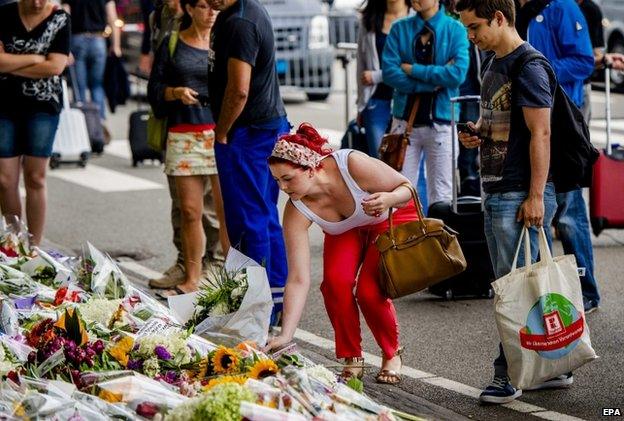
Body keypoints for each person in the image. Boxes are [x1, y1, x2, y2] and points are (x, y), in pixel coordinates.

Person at [457, 0, 559, 404]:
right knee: (524, 289)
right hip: (500, 189)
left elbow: (541, 134)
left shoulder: (528, 66)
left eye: (475, 26)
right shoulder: (493, 61)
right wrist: (479, 132)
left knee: (511, 291)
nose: (471, 36)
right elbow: (501, 120)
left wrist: (536, 196)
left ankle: (508, 375)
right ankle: (551, 368)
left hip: (518, 193)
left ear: (500, 18)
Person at [266, 123, 417, 385]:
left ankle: (392, 353)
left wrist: (389, 200)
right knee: (335, 283)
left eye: (287, 178)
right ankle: (351, 357)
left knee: (369, 291)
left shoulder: (352, 164)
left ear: (312, 168)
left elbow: (407, 188)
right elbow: (298, 279)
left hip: (388, 217)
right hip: (347, 228)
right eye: (277, 180)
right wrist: (285, 334)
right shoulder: (295, 210)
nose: (282, 188)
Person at [207, 0, 290, 325]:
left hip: (248, 132)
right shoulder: (240, 12)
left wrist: (223, 131)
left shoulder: (241, 21)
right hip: (260, 128)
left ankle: (259, 307)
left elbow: (239, 90)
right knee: (263, 216)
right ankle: (272, 298)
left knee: (250, 220)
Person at [516, 0, 601, 314]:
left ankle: (586, 289)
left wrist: (538, 68)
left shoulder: (562, 7)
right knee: (542, 213)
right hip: (528, 120)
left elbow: (583, 61)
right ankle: (551, 291)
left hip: (563, 119)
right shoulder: (513, 11)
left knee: (568, 211)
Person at [148, 0, 229, 294]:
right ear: (190, 9)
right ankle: (192, 279)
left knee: (225, 212)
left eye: (215, 8)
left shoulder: (226, 40)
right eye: (204, 6)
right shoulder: (172, 43)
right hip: (183, 135)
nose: (210, 13)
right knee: (190, 212)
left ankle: (225, 274)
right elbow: (154, 90)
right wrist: (175, 92)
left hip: (219, 134)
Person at [382, 0, 469, 208]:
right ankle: (403, 240)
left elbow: (457, 74)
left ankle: (438, 240)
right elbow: (389, 73)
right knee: (398, 192)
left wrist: (413, 70)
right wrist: (432, 83)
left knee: (442, 195)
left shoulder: (455, 28)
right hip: (404, 123)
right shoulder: (399, 28)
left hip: (442, 123)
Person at [0, 0, 71, 246]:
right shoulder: (5, 13)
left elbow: (56, 66)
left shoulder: (60, 18)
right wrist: (34, 58)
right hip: (5, 104)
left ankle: (34, 246)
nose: (37, 3)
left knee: (35, 176)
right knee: (5, 179)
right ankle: (14, 241)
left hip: (43, 106)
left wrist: (11, 63)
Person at [356, 0, 411, 156]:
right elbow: (361, 64)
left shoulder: (416, 18)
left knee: (406, 161)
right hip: (375, 101)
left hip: (407, 102)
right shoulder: (368, 20)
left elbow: (412, 66)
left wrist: (377, 76)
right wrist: (361, 105)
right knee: (379, 160)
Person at [61, 0, 121, 122]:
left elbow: (65, 18)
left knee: (79, 87)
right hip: (98, 40)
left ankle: (83, 124)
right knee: (97, 85)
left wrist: (65, 48)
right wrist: (116, 45)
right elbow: (113, 19)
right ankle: (99, 124)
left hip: (77, 39)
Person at [576, 0, 624, 122]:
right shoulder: (556, 7)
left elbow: (597, 52)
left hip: (582, 83)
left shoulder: (592, 10)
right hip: (557, 83)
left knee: (580, 132)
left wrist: (604, 60)